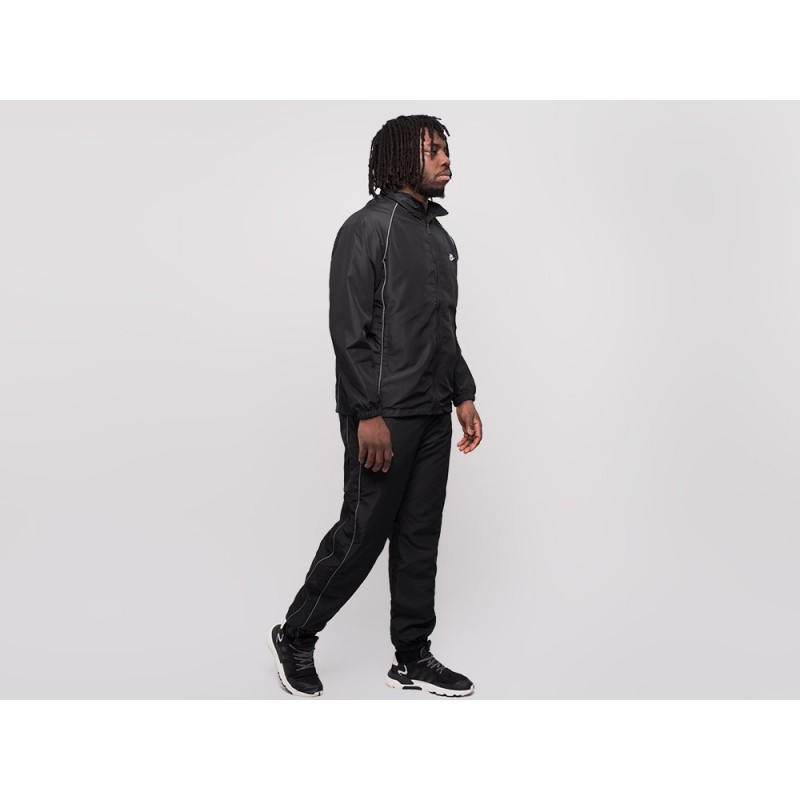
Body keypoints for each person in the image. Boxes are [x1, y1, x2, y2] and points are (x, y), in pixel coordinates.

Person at [268, 114, 483, 698]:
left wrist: (463, 393)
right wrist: (367, 413)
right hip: (383, 415)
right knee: (363, 533)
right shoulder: (366, 229)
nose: (446, 159)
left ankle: (412, 656)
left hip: (433, 412)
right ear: (401, 159)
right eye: (433, 150)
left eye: (445, 149)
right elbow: (349, 330)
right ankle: (296, 635)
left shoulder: (440, 239)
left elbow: (442, 329)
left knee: (420, 536)